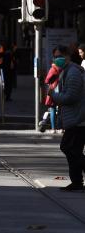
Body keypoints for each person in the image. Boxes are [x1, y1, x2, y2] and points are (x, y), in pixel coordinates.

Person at [48, 46, 85, 191]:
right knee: (73, 150)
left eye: (59, 56)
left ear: (67, 56)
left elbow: (71, 96)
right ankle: (76, 182)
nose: (57, 59)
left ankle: (77, 182)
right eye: (55, 57)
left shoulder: (73, 73)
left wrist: (53, 95)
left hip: (78, 119)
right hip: (74, 118)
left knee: (68, 148)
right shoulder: (67, 71)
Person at [39, 50, 64, 133]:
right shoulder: (63, 69)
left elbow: (47, 80)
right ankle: (61, 128)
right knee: (60, 109)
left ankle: (53, 128)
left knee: (52, 109)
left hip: (53, 90)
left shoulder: (53, 69)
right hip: (62, 90)